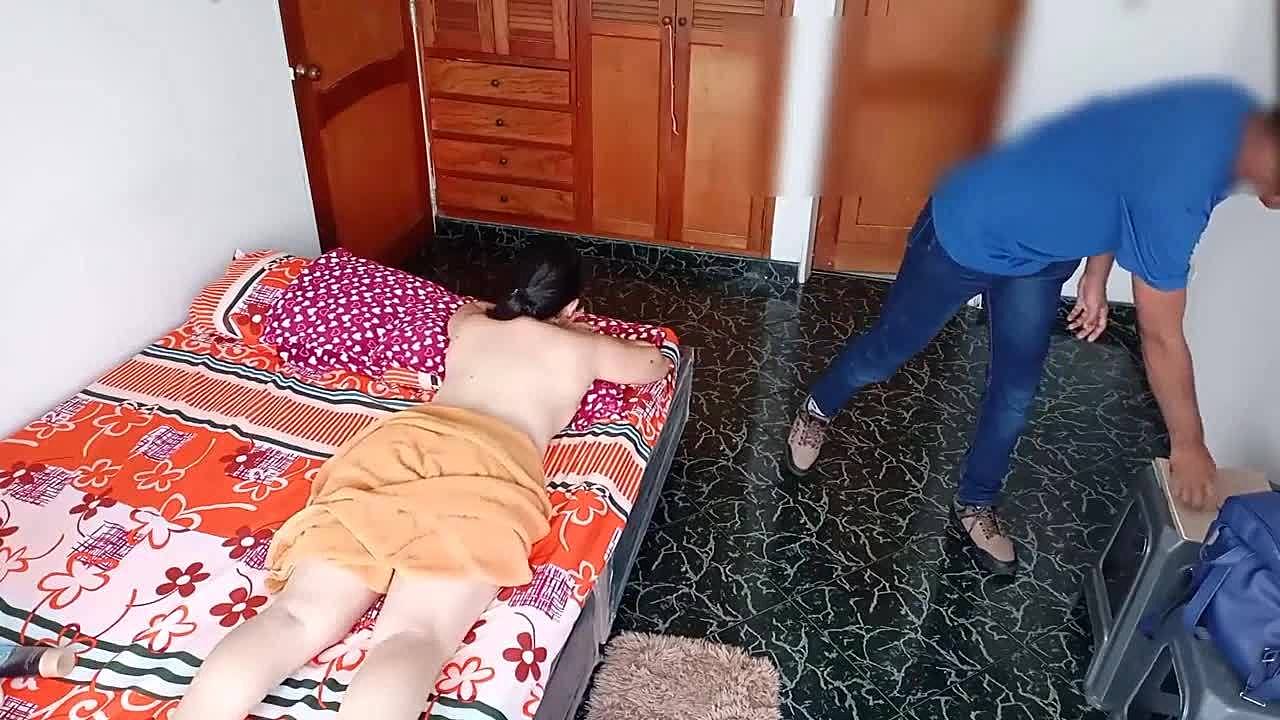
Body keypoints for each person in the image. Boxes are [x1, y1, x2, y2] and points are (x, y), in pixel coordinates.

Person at [787, 79, 1279, 576]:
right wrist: (1189, 442)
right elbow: (1162, 336)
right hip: (970, 227)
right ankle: (817, 407)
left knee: (1016, 388)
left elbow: (1119, 167)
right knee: (888, 350)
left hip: (1041, 256)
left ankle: (976, 500)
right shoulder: (1184, 186)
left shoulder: (1226, 113)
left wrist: (1097, 272)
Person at [175, 240, 671, 720]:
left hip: (395, 449)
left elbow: (464, 313)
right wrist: (589, 336)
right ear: (573, 307)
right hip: (488, 469)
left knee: (296, 615)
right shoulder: (581, 347)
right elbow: (653, 364)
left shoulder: (473, 324)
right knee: (413, 635)